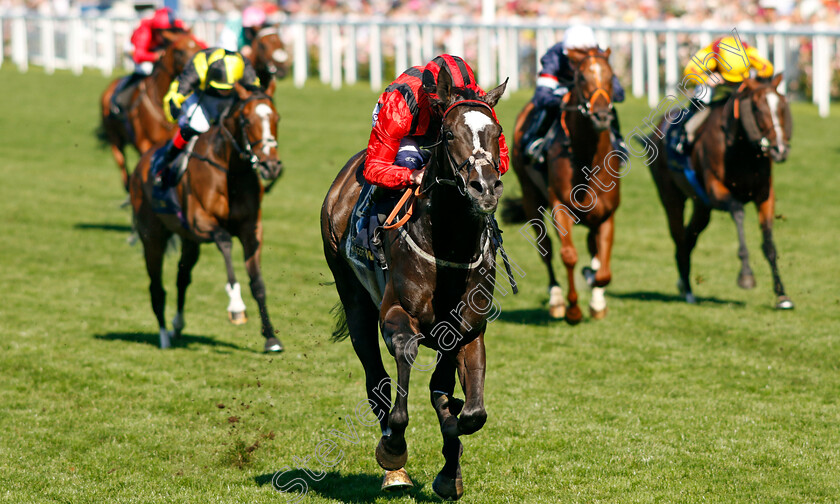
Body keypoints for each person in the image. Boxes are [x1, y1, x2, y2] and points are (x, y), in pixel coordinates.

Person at [364, 54, 510, 191]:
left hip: (444, 129)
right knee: (408, 162)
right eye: (443, 104)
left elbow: (501, 156)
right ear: (433, 98)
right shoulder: (398, 106)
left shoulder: (476, 102)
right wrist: (412, 175)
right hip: (406, 130)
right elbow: (374, 168)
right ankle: (369, 211)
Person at [152, 48, 261, 191]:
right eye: (221, 88)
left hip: (229, 98)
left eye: (225, 88)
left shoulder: (243, 66)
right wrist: (175, 106)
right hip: (198, 94)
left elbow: (257, 91)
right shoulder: (199, 65)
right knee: (199, 125)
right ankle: (166, 160)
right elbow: (180, 90)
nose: (223, 90)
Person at [520, 25, 626, 163]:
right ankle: (535, 140)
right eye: (574, 58)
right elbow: (542, 96)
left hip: (588, 97)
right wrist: (561, 99)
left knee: (606, 106)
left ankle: (618, 142)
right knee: (545, 108)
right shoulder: (554, 56)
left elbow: (619, 94)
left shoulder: (598, 56)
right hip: (561, 93)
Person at [675, 35, 774, 154]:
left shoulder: (749, 52)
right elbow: (690, 71)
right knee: (703, 95)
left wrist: (755, 80)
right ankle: (685, 134)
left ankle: (762, 137)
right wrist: (706, 78)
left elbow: (768, 68)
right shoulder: (711, 53)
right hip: (716, 81)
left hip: (742, 80)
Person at [112, 7, 186, 118]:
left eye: (170, 31)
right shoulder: (144, 32)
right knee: (146, 69)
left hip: (156, 48)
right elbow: (138, 56)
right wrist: (156, 56)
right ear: (157, 30)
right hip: (135, 49)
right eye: (164, 32)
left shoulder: (176, 24)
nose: (167, 35)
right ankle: (120, 98)